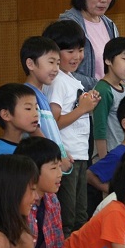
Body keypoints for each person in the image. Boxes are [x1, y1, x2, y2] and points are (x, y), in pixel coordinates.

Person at [13, 137, 96, 248]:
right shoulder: (19, 202)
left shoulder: (52, 201)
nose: (60, 173)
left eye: (60, 166)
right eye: (53, 168)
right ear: (32, 171)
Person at [43, 19, 100, 235]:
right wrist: (83, 109)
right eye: (70, 51)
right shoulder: (57, 81)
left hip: (80, 155)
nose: (77, 56)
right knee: (67, 218)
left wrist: (87, 103)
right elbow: (54, 122)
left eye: (80, 50)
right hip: (67, 156)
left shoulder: (71, 79)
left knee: (80, 216)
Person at [58, 0, 120, 82]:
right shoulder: (68, 25)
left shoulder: (110, 26)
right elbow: (61, 71)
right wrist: (102, 86)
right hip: (82, 94)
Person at [21, 36, 72, 172]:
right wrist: (56, 157)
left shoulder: (42, 94)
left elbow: (50, 131)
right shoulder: (28, 94)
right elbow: (35, 130)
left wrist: (63, 152)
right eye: (51, 62)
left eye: (58, 63)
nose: (56, 69)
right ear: (30, 64)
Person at [92, 37, 125, 160]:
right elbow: (99, 128)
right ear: (108, 60)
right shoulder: (103, 89)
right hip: (109, 155)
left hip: (124, 154)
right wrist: (104, 160)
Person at [0, 83, 40, 170]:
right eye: (28, 108)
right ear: (6, 115)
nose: (36, 114)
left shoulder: (36, 147)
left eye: (36, 108)